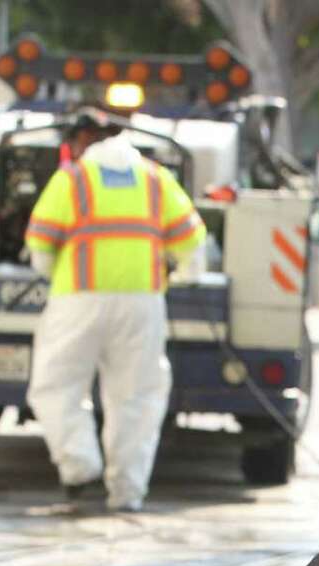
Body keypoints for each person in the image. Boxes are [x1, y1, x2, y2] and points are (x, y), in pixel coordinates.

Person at [24, 109, 206, 513]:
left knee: (55, 386)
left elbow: (39, 249)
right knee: (136, 396)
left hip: (78, 300)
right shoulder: (156, 178)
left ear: (80, 141)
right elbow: (191, 241)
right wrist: (182, 274)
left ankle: (80, 468)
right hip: (143, 303)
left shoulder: (71, 179)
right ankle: (127, 492)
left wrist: (55, 271)